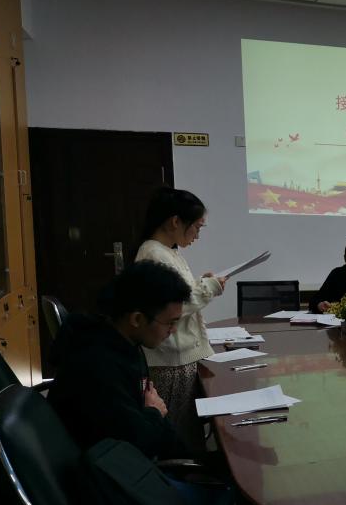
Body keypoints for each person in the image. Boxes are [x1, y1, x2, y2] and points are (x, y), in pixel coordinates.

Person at [47, 260, 189, 460]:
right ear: (137, 319)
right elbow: (138, 444)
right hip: (105, 470)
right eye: (170, 323)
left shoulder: (125, 343)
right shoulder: (97, 365)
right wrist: (154, 412)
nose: (173, 331)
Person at [134, 187, 224, 451]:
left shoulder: (168, 252)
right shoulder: (153, 253)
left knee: (187, 429)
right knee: (177, 433)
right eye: (196, 227)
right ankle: (181, 472)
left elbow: (177, 293)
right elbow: (169, 306)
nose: (197, 235)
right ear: (175, 221)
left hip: (180, 357)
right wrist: (208, 288)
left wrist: (201, 283)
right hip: (170, 361)